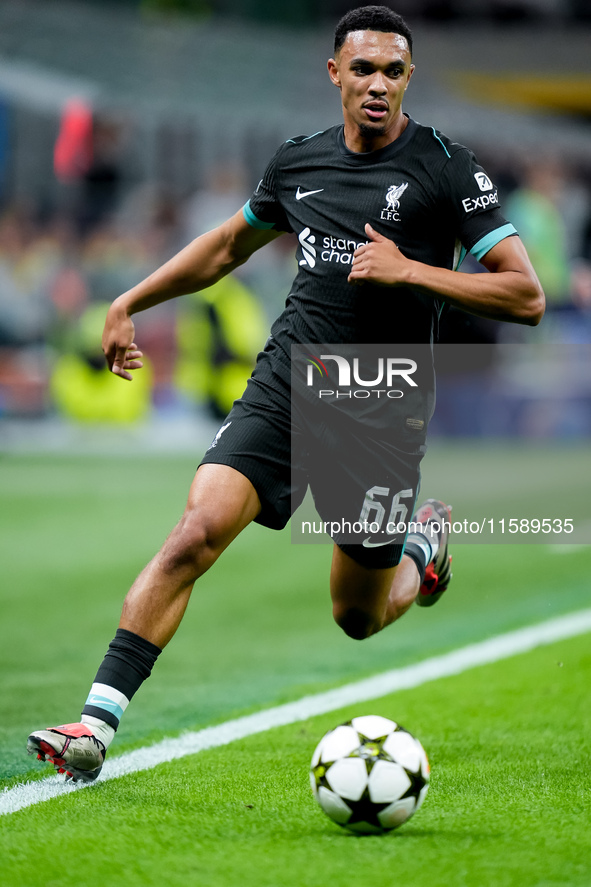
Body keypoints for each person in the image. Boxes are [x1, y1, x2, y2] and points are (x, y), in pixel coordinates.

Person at [27, 5, 544, 782]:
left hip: (381, 402)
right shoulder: (297, 161)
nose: (377, 85)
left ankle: (419, 548)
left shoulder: (445, 168)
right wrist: (129, 299)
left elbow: (526, 294)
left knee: (357, 616)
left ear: (409, 79)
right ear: (334, 73)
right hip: (291, 380)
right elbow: (229, 244)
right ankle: (95, 724)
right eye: (362, 68)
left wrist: (412, 271)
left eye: (392, 71)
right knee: (195, 531)